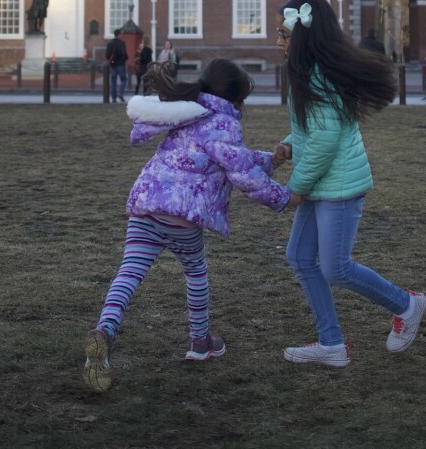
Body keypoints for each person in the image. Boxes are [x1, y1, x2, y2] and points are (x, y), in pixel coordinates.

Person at [82, 59, 291, 393]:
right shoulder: (224, 123)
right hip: (182, 216)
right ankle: (199, 341)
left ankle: (105, 331)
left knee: (128, 273)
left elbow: (231, 159)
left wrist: (271, 159)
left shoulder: (186, 110)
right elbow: (239, 172)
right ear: (236, 100)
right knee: (195, 272)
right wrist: (284, 197)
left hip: (147, 206)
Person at [272, 0, 426, 367]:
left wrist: (295, 189)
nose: (278, 42)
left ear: (303, 37)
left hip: (337, 186)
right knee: (300, 256)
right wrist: (290, 143)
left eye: (283, 34)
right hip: (323, 182)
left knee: (334, 266)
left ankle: (407, 305)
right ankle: (331, 345)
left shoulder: (319, 79)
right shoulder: (312, 73)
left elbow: (325, 140)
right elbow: (319, 131)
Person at [106, 30, 129, 103]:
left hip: (113, 65)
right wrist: (123, 61)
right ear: (119, 34)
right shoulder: (122, 43)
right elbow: (124, 54)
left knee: (113, 82)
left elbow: (107, 55)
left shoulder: (109, 43)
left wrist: (111, 61)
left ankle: (113, 98)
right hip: (121, 65)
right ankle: (120, 92)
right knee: (123, 79)